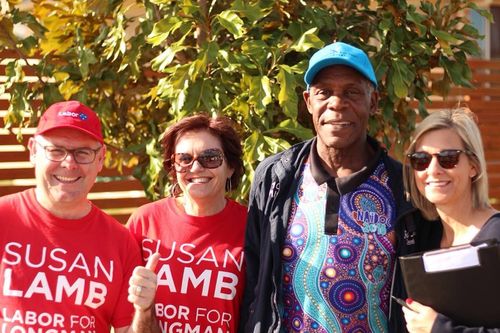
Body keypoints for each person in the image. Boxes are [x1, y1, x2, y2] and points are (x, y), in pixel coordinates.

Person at [238, 41, 423, 333]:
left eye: (351, 92)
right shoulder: (276, 177)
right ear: (309, 101)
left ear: (373, 101)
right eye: (324, 92)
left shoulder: (405, 188)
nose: (336, 103)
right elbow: (253, 284)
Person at [0, 100, 148, 332]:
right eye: (56, 150)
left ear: (100, 159)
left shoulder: (120, 242)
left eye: (83, 152)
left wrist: (143, 310)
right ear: (33, 151)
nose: (69, 164)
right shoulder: (4, 218)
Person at [127, 114, 247, 333]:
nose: (196, 167)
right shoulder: (144, 222)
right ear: (174, 167)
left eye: (210, 158)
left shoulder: (251, 226)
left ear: (230, 166)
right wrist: (144, 309)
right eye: (184, 159)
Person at [401, 107, 500, 333]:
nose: (433, 170)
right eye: (421, 160)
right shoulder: (425, 236)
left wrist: (438, 328)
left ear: (473, 166)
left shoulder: (496, 235)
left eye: (448, 158)